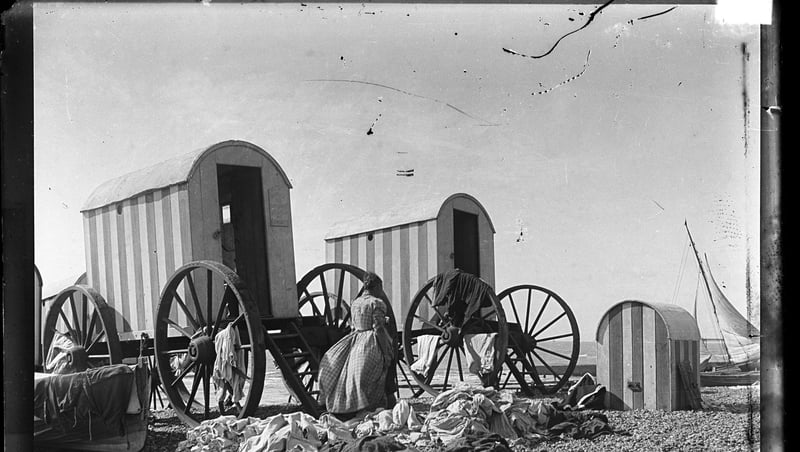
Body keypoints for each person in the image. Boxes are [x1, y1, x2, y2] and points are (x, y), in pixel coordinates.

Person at [318, 272, 395, 418]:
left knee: (348, 371)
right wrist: (386, 351)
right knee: (387, 361)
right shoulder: (377, 303)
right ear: (377, 287)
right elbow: (378, 328)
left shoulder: (356, 302)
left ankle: (346, 405)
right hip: (370, 339)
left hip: (355, 339)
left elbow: (354, 325)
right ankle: (382, 401)